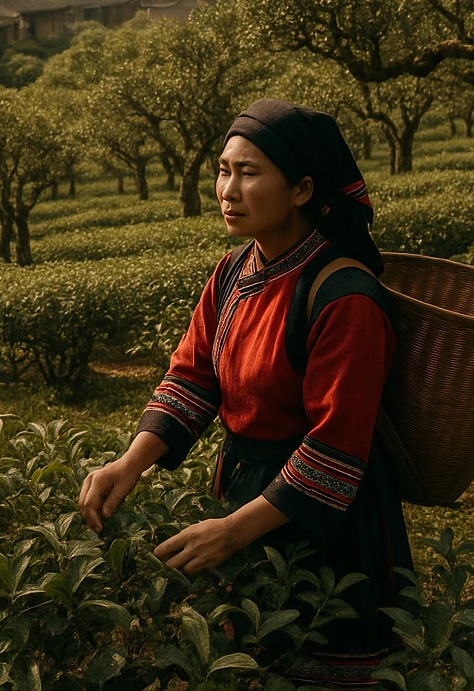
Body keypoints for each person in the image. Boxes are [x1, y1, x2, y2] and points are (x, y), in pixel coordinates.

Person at [77, 98, 411, 687]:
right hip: (243, 492)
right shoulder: (232, 272)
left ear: (304, 188)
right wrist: (130, 463)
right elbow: (193, 376)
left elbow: (334, 453)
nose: (227, 190)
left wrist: (233, 530)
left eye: (249, 173)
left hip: (327, 525)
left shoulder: (344, 297)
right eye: (223, 170)